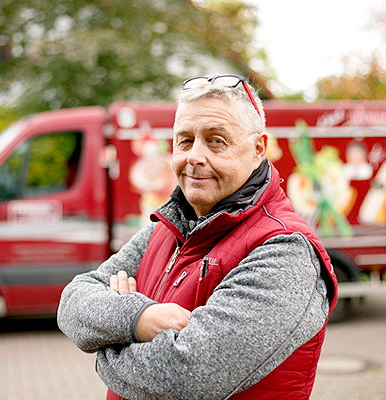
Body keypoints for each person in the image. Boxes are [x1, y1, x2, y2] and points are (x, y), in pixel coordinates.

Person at [57, 75, 338, 400]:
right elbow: (72, 301)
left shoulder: (286, 250)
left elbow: (187, 376)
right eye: (185, 141)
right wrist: (139, 319)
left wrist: (106, 345)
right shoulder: (166, 227)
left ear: (258, 148)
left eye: (216, 140)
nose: (194, 156)